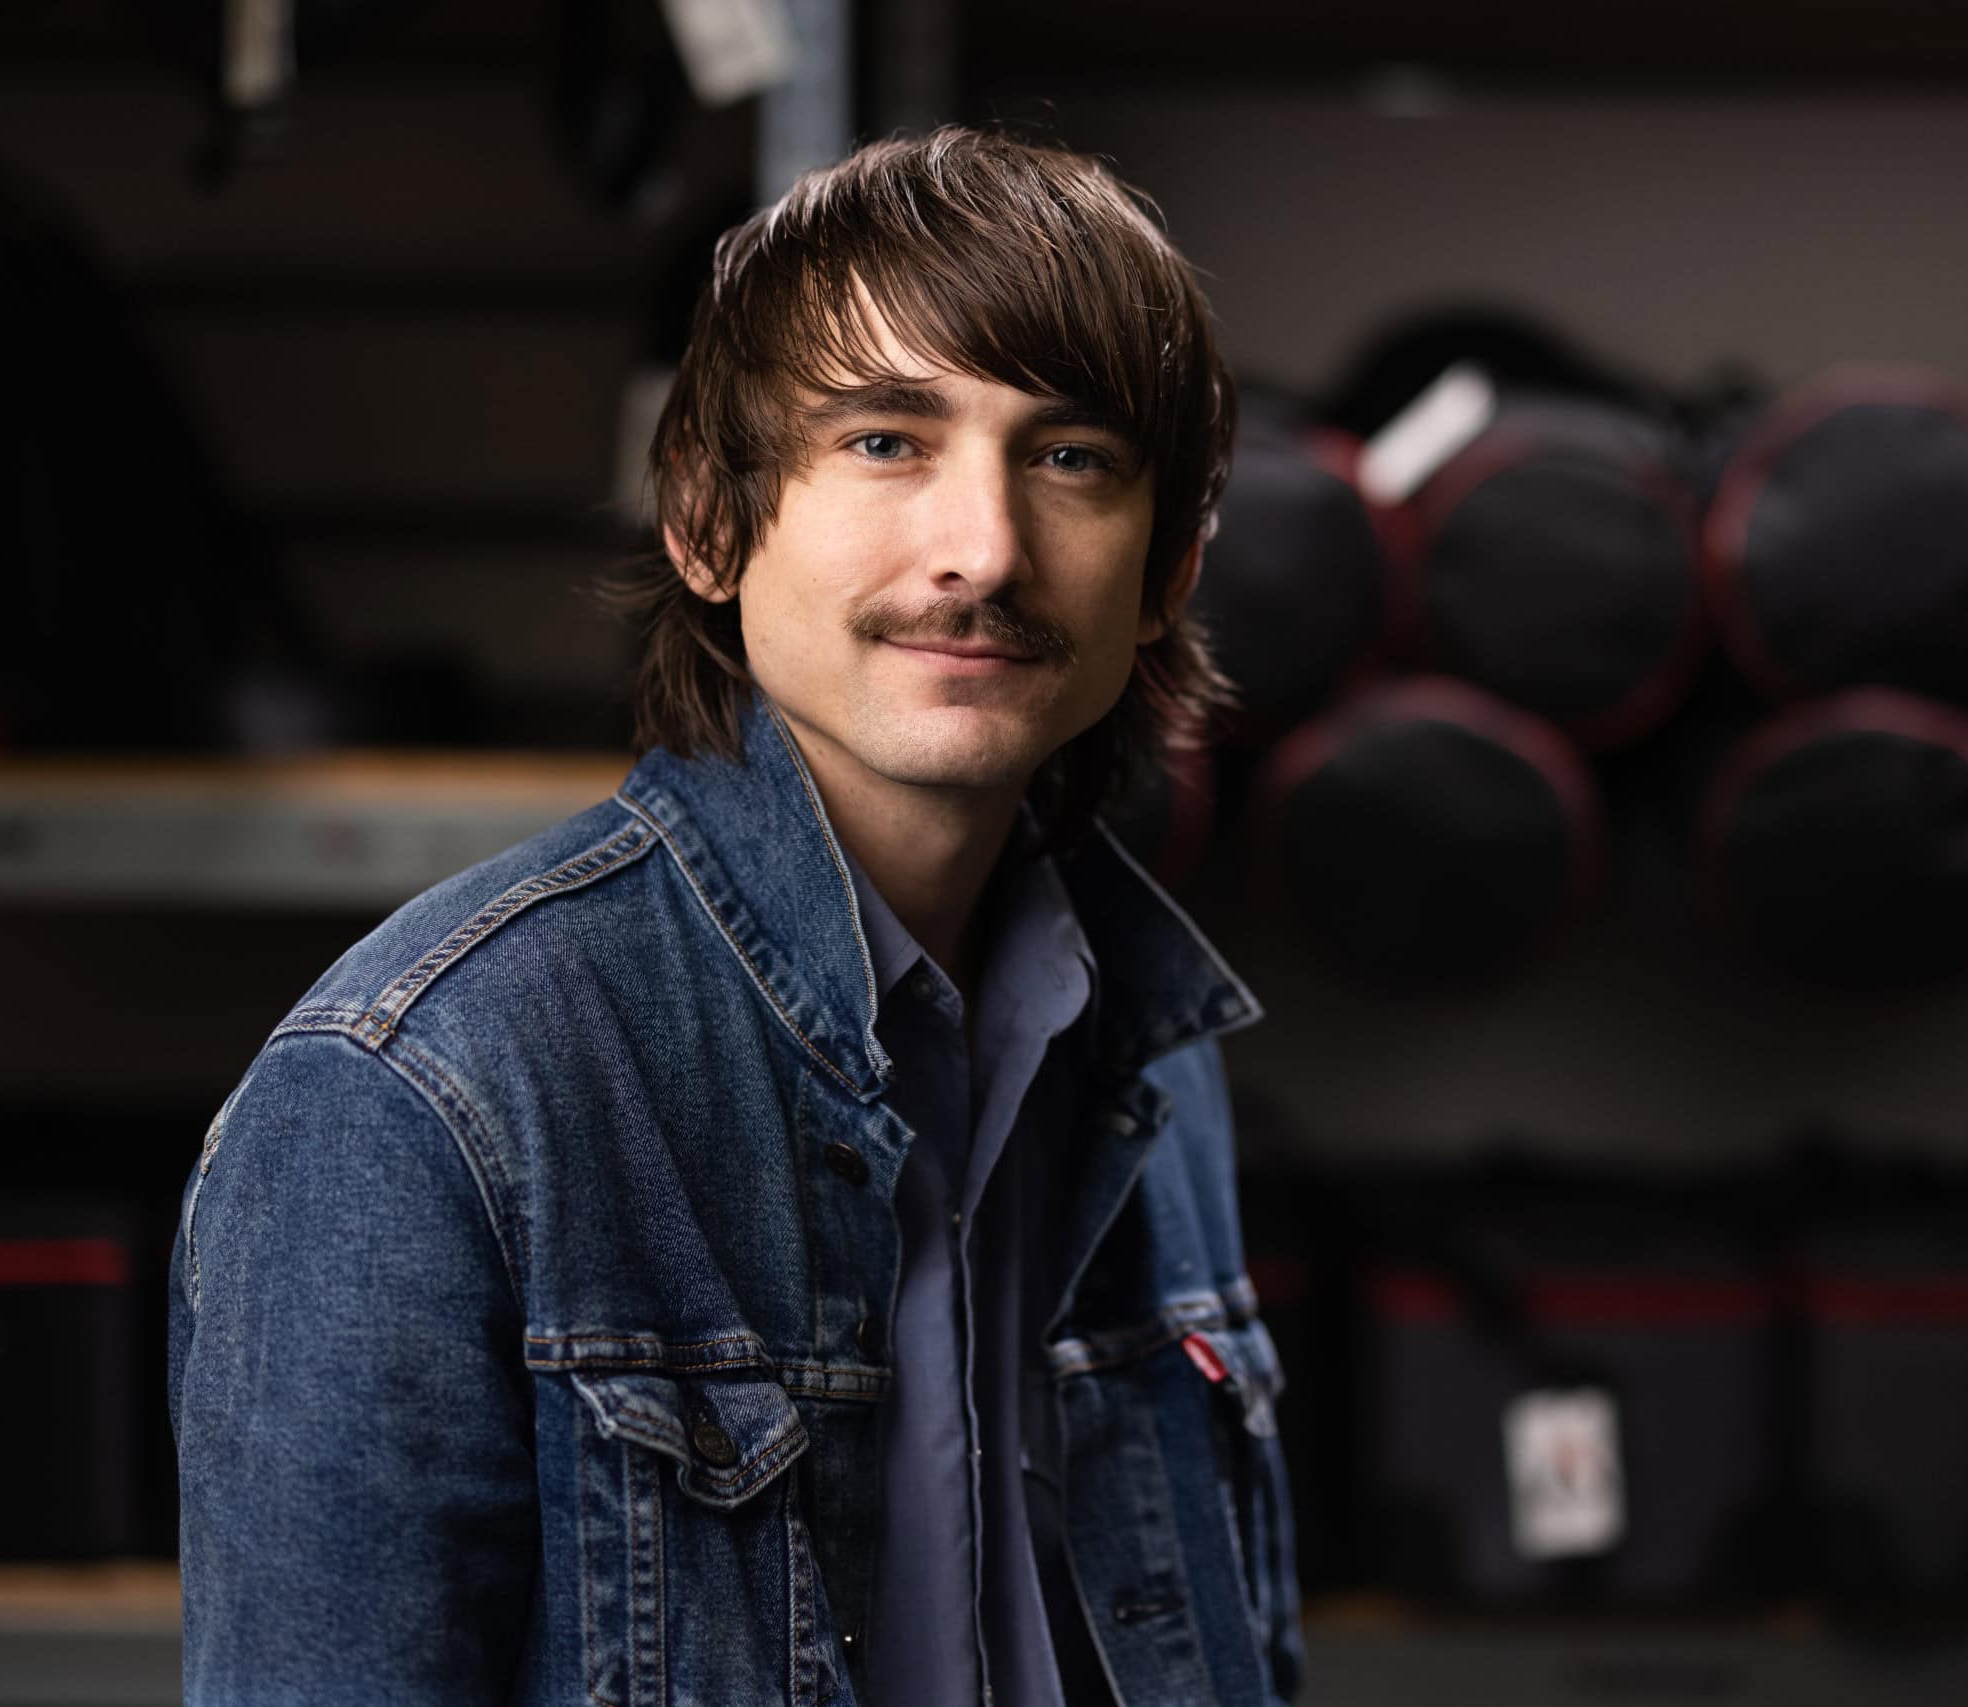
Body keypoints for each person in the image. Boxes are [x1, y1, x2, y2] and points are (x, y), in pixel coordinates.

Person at [167, 126, 1301, 1707]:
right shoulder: (416, 1101)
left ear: (1169, 565)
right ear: (706, 525)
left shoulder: (1153, 1066)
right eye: (888, 442)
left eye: (1071, 457)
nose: (983, 549)